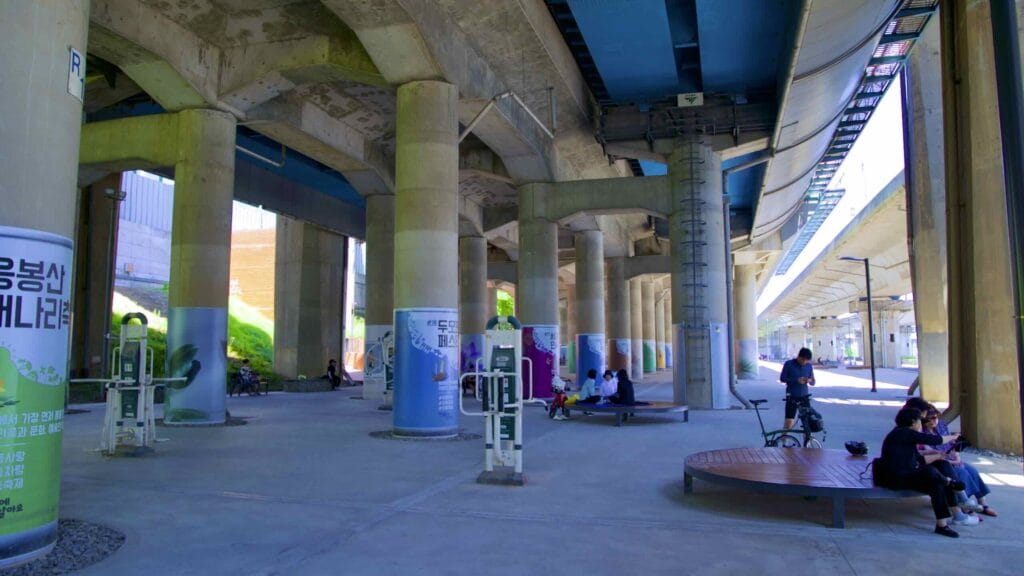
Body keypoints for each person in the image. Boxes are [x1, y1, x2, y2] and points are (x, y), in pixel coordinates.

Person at [876, 407, 965, 537]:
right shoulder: (903, 433)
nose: (921, 424)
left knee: (935, 484)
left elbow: (919, 459)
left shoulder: (904, 436)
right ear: (913, 421)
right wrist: (952, 437)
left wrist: (939, 456)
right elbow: (933, 440)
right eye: (919, 420)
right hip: (894, 478)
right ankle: (948, 482)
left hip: (905, 475)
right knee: (929, 472)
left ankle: (942, 525)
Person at [919, 405, 997, 518]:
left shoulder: (941, 425)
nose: (932, 421)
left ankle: (982, 502)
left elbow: (952, 444)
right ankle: (965, 505)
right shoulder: (921, 433)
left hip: (950, 457)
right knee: (962, 472)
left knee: (972, 470)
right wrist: (951, 461)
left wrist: (957, 455)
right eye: (928, 419)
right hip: (940, 461)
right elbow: (928, 453)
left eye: (935, 417)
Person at [779, 347, 815, 429]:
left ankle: (807, 441)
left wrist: (809, 380)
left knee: (807, 420)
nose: (804, 362)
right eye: (803, 360)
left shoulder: (809, 366)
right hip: (792, 396)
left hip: (804, 397)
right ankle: (785, 440)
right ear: (799, 356)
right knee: (789, 419)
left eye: (807, 360)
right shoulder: (789, 364)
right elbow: (782, 378)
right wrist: (796, 380)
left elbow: (813, 381)